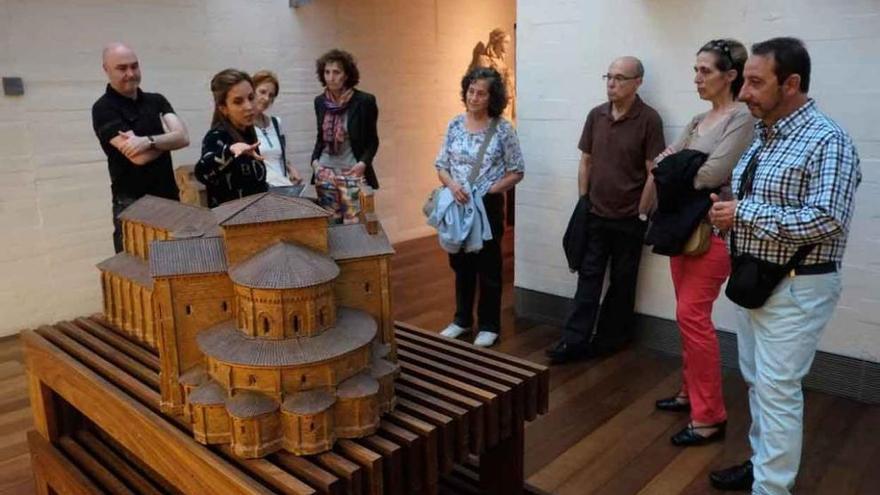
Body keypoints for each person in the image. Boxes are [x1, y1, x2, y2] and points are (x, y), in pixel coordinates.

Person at [708, 38, 861, 494]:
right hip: (758, 280)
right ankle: (762, 466)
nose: (743, 93)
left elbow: (828, 219)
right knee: (759, 383)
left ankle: (771, 488)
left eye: (756, 82)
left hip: (798, 287)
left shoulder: (827, 139)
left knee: (777, 393)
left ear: (791, 83)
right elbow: (758, 203)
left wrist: (744, 214)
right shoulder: (764, 134)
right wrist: (727, 214)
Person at [650, 39, 755, 447]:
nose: (697, 78)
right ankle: (689, 393)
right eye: (695, 70)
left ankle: (709, 416)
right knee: (686, 317)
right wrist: (677, 168)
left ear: (731, 76)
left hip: (711, 231)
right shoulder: (698, 120)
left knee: (692, 316)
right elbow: (663, 163)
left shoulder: (741, 118)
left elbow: (712, 174)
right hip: (682, 228)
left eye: (705, 71)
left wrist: (678, 170)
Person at [545, 56, 665, 364]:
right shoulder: (596, 115)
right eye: (609, 77)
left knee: (623, 283)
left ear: (637, 82)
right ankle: (573, 341)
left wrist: (642, 210)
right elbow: (586, 160)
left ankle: (610, 339)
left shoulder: (649, 119)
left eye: (620, 78)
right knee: (588, 278)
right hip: (596, 214)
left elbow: (654, 170)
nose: (612, 83)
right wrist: (584, 200)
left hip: (630, 219)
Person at [434, 67, 525, 348]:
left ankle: (489, 324)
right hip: (456, 203)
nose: (474, 97)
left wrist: (488, 190)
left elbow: (517, 170)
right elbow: (441, 165)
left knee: (488, 265)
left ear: (491, 97)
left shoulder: (502, 130)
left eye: (481, 93)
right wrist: (451, 185)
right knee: (460, 264)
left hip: (486, 206)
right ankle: (462, 319)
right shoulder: (454, 125)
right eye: (471, 91)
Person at [91, 42, 190, 252]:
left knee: (175, 266)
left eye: (134, 66)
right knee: (137, 273)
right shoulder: (103, 109)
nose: (130, 73)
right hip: (132, 206)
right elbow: (138, 158)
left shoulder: (156, 100)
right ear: (106, 70)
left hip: (169, 199)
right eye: (122, 68)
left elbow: (184, 137)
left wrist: (148, 141)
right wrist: (169, 140)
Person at [310, 49, 379, 224]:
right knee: (330, 225)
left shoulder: (364, 101)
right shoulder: (320, 102)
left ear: (346, 75)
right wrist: (315, 162)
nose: (331, 77)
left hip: (352, 171)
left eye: (336, 72)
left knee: (354, 224)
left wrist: (363, 164)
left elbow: (372, 140)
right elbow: (320, 138)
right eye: (327, 72)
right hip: (325, 171)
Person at [195, 69, 268, 207]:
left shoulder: (247, 132)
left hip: (257, 217)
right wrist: (229, 150)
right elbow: (202, 172)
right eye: (238, 101)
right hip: (230, 223)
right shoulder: (216, 136)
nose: (248, 106)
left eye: (251, 97)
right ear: (223, 108)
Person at [252, 70, 303, 195]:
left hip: (283, 187)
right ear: (252, 91)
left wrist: (291, 169)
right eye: (262, 92)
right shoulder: (244, 126)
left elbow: (279, 156)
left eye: (271, 95)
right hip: (262, 192)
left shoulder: (276, 123)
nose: (266, 98)